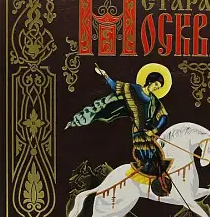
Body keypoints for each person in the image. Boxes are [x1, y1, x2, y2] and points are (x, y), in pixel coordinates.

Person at [66, 65, 171, 194]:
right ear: (149, 81)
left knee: (157, 156)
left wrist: (154, 130)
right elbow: (115, 86)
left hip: (149, 132)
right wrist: (105, 75)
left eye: (158, 87)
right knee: (146, 156)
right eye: (156, 85)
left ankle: (160, 183)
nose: (156, 88)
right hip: (138, 132)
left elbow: (164, 116)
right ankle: (148, 185)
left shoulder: (154, 100)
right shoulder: (133, 89)